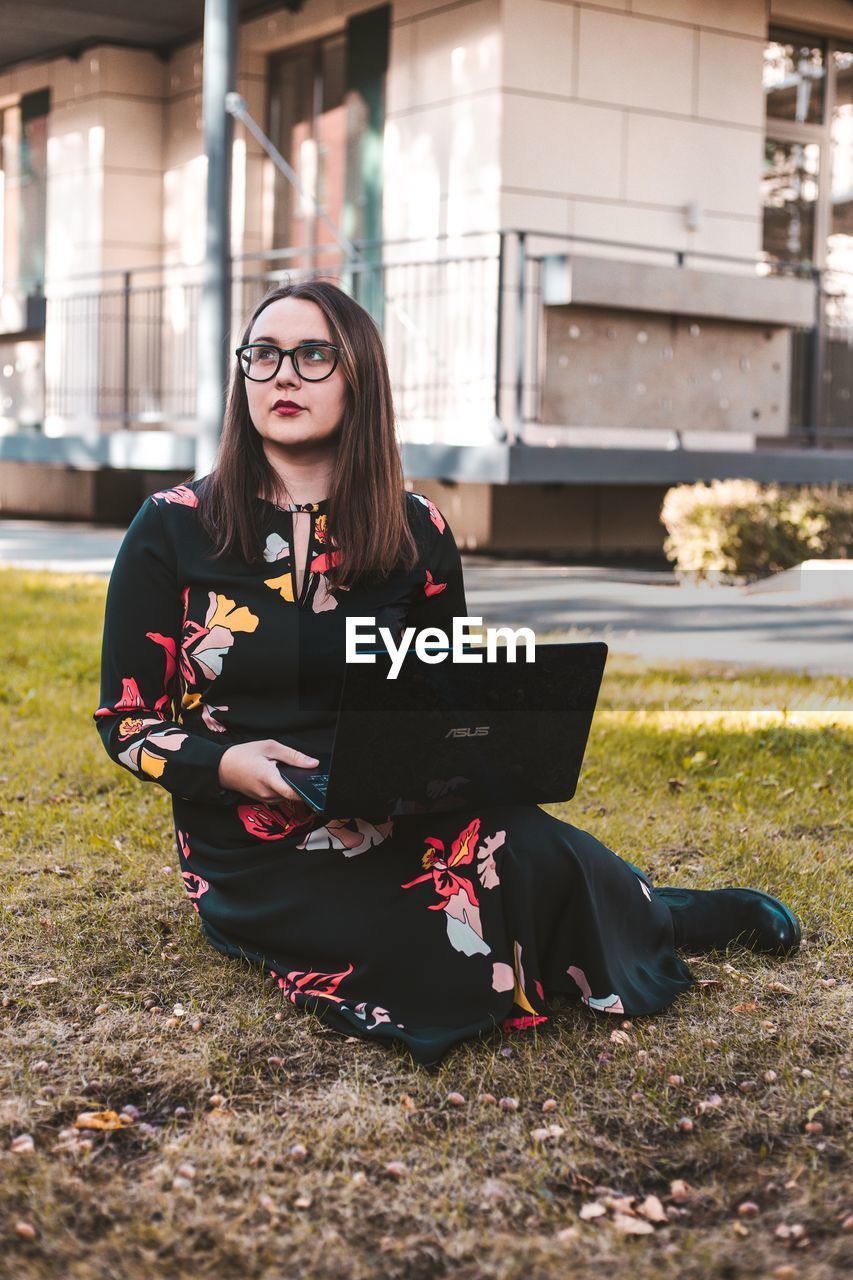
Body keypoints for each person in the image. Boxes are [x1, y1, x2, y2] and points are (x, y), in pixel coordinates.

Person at [93, 281, 801, 1066]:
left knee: (525, 842)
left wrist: (479, 751)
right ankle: (616, 913)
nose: (283, 374)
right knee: (427, 929)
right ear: (242, 376)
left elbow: (440, 706)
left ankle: (655, 911)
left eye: (312, 355)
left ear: (358, 376)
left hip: (389, 808)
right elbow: (126, 724)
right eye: (263, 355)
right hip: (251, 845)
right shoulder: (169, 527)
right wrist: (228, 763)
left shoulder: (415, 530)